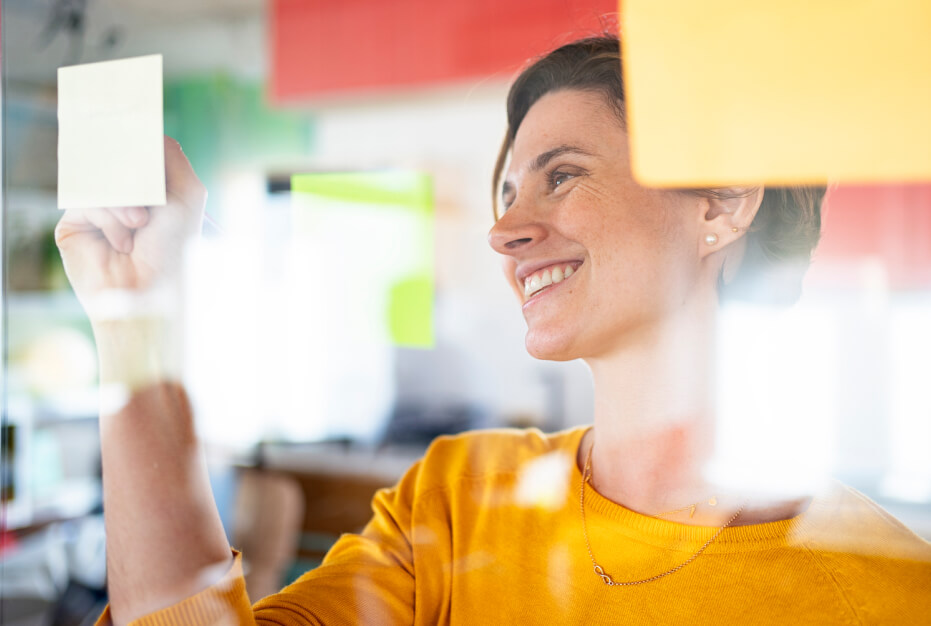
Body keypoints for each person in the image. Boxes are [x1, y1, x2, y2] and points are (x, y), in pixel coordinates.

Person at [56, 34, 931, 625]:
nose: (503, 231)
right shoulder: (456, 499)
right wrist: (136, 315)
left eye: (562, 175)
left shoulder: (890, 589)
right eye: (508, 192)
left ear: (721, 201)